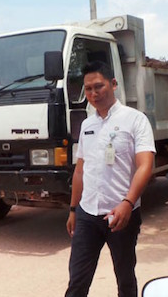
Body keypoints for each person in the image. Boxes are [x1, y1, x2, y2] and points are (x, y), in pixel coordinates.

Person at [65, 61, 156, 297]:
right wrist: (74, 209)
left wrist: (128, 203)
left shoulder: (135, 120)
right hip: (87, 214)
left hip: (121, 214)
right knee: (77, 282)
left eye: (98, 86)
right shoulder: (87, 125)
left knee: (125, 278)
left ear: (113, 84)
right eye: (88, 89)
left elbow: (145, 165)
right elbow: (80, 170)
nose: (93, 94)